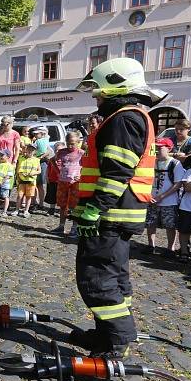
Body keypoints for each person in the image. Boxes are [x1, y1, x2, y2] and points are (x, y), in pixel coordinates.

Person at [69, 57, 166, 358]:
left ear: (116, 86)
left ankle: (116, 341)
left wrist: (94, 208)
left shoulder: (124, 118)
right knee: (113, 277)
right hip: (118, 215)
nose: (96, 97)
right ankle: (106, 334)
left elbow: (117, 172)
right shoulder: (133, 116)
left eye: (98, 91)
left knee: (96, 279)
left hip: (109, 216)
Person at [144, 138, 181, 255]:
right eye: (155, 148)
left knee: (170, 225)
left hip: (169, 201)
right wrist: (148, 196)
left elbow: (178, 184)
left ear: (169, 148)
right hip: (152, 199)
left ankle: (171, 248)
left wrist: (162, 196)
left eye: (160, 148)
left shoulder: (175, 163)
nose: (157, 151)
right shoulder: (152, 162)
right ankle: (151, 245)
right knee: (150, 223)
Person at [52, 132, 84, 236]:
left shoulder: (81, 153)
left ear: (78, 142)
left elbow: (86, 166)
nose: (70, 146)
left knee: (74, 206)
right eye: (68, 143)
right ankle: (61, 226)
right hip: (62, 182)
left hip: (75, 183)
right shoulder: (62, 152)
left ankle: (74, 227)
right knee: (62, 205)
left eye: (73, 143)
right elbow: (53, 160)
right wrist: (58, 172)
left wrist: (81, 175)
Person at [175, 151, 191, 261]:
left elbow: (190, 186)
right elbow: (187, 187)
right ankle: (184, 251)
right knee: (184, 230)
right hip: (187, 206)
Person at [15, 143, 41, 218]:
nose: (30, 150)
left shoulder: (37, 160)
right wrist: (19, 176)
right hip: (22, 181)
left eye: (32, 149)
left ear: (35, 151)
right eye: (29, 149)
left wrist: (33, 173)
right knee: (19, 196)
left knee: (28, 197)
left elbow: (39, 171)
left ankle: (26, 210)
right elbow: (18, 169)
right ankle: (17, 210)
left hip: (31, 181)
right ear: (26, 149)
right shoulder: (21, 158)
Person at [0, 150, 14, 216]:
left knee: (5, 197)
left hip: (5, 184)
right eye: (0, 155)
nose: (1, 157)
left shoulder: (9, 165)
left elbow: (9, 175)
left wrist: (2, 181)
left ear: (8, 157)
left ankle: (4, 211)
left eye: (2, 155)